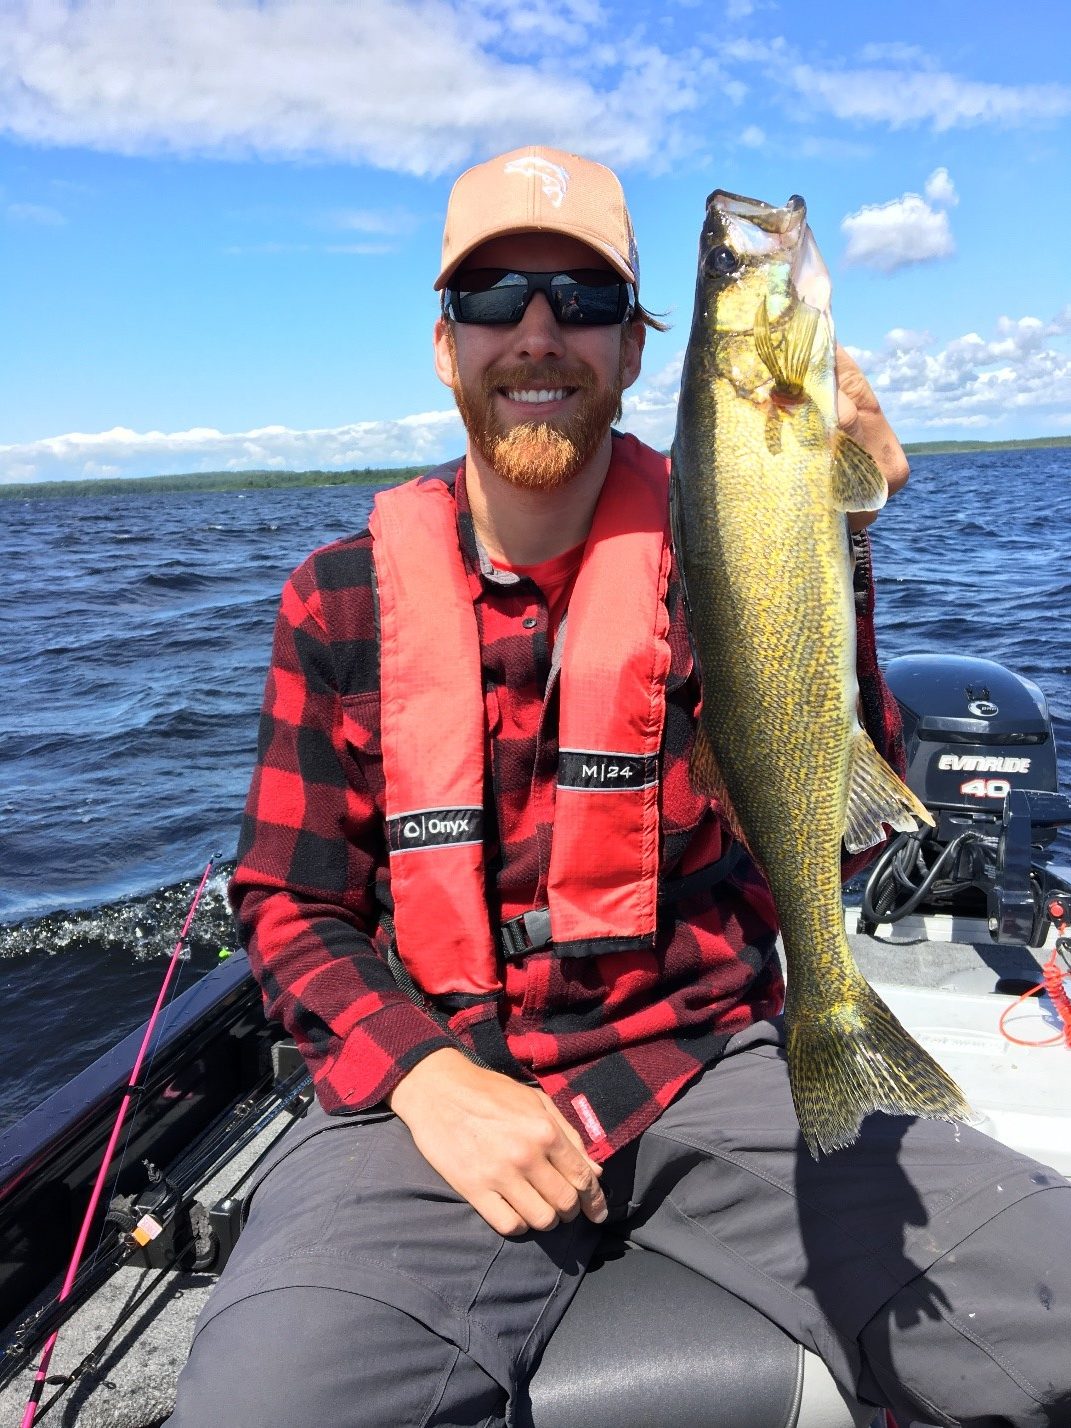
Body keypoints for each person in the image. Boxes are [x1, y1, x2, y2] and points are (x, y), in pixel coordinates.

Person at [167, 146, 1071, 1428]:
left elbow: (844, 845)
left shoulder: (703, 556)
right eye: (494, 299)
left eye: (582, 300)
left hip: (707, 1060)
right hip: (433, 1105)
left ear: (640, 350)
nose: (538, 333)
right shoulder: (338, 599)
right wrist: (429, 1081)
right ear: (445, 345)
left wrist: (845, 528)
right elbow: (288, 907)